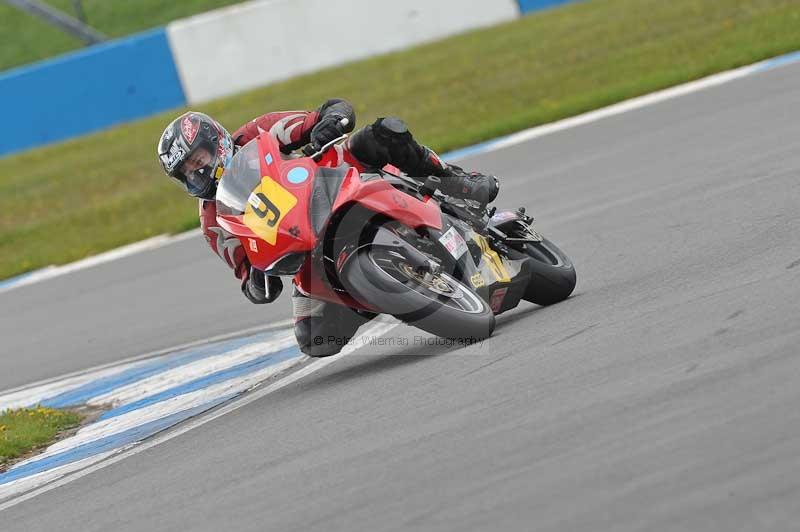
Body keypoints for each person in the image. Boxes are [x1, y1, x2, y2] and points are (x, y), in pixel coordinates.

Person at [157, 99, 499, 356]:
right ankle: (380, 290)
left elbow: (329, 112)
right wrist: (258, 282)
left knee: (380, 135)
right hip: (307, 250)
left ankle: (456, 180)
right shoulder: (213, 221)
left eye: (198, 160)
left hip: (336, 181)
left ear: (215, 142)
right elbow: (246, 274)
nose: (197, 172)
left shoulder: (258, 132)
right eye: (187, 172)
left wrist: (329, 122)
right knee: (315, 339)